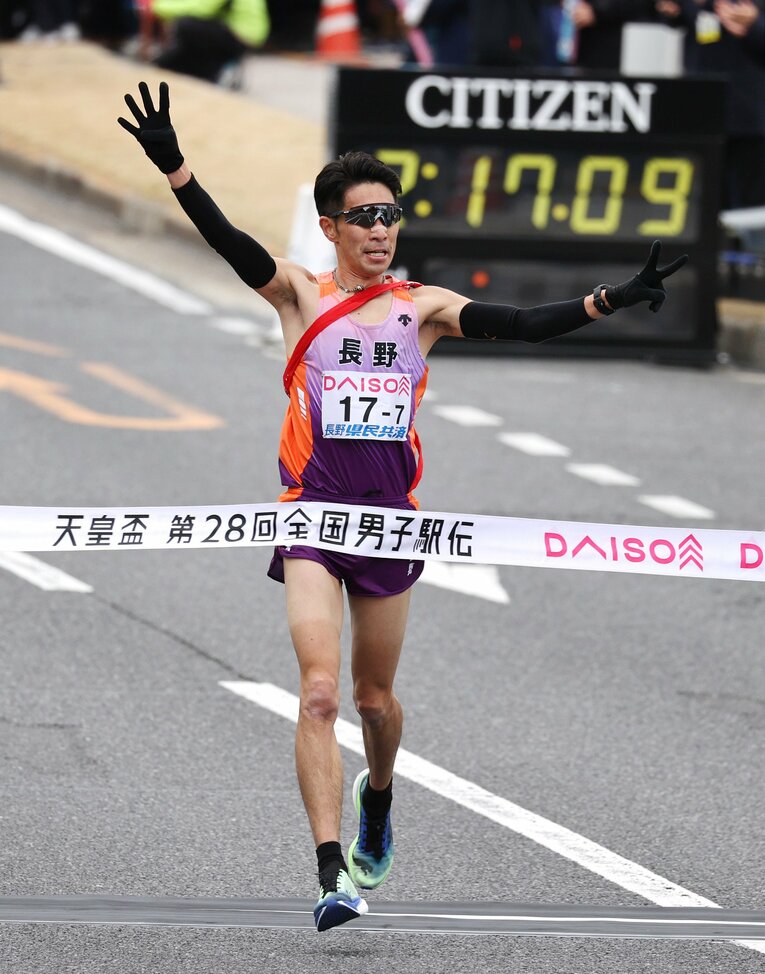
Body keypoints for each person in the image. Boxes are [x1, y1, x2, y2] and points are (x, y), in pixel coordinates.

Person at [117, 80, 687, 933]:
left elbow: (521, 323)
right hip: (311, 517)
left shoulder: (419, 311)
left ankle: (378, 793)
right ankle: (328, 873)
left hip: (388, 523)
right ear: (331, 228)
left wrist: (607, 300)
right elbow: (234, 248)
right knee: (316, 695)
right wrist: (176, 168)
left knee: (374, 702)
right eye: (365, 218)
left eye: (391, 215)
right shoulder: (300, 295)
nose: (381, 231)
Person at [657, 0, 765, 209]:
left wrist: (754, 24)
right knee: (704, 204)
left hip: (750, 119)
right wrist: (676, 11)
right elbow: (684, 19)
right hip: (704, 114)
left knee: (750, 206)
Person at [151, 0, 270, 83]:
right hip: (240, 32)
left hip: (241, 35)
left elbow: (202, 8)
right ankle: (199, 70)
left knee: (186, 26)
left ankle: (204, 73)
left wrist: (156, 6)